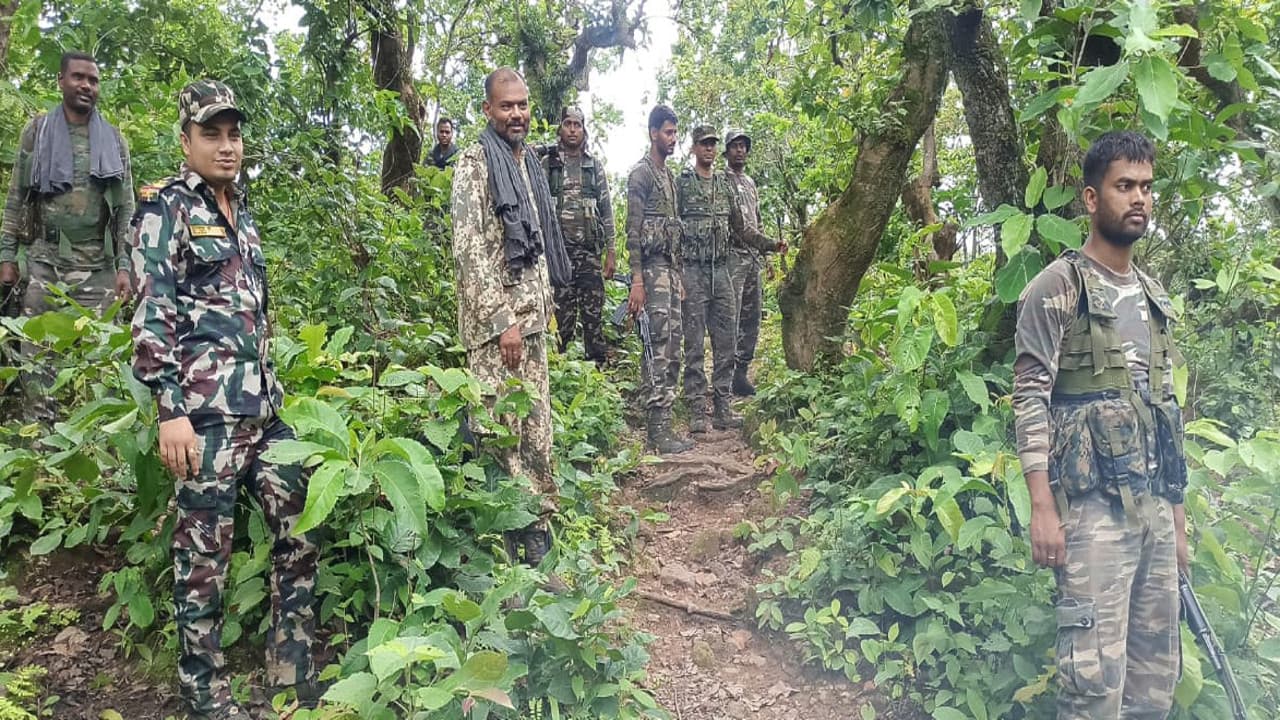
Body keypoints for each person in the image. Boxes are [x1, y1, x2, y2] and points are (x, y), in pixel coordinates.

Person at [130, 80, 321, 719]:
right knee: (204, 560)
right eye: (211, 133)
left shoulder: (241, 210)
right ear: (185, 139)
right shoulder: (164, 208)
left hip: (262, 410)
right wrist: (169, 409)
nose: (227, 145)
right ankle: (204, 697)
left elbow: (251, 313)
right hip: (202, 417)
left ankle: (291, 671)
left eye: (233, 133)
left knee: (300, 525)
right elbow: (152, 308)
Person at [1012, 131, 1188, 719]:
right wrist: (1042, 505)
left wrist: (1178, 519)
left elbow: (1166, 414)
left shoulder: (1154, 295)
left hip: (1155, 512)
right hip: (1090, 513)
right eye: (1124, 187)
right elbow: (1030, 397)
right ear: (1092, 199)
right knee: (1092, 684)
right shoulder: (1057, 288)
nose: (1138, 198)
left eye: (1145, 187)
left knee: (1154, 682)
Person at [450, 68, 572, 573]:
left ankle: (538, 534)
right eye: (506, 106)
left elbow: (539, 246)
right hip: (497, 330)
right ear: (487, 111)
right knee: (501, 433)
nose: (517, 114)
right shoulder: (475, 163)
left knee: (537, 430)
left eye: (522, 105)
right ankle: (503, 550)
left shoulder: (530, 166)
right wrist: (503, 320)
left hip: (534, 323)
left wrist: (544, 312)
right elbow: (469, 248)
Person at [0, 51, 134, 418]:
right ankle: (41, 454)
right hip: (45, 262)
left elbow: (125, 211)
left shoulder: (114, 141)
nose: (86, 85)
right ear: (61, 81)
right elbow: (16, 196)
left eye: (93, 80)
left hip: (98, 267)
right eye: (78, 77)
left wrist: (125, 267)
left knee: (102, 363)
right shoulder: (37, 131)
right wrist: (7, 257)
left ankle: (99, 462)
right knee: (37, 359)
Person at [677, 126, 779, 433]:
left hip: (721, 270)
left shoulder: (725, 185)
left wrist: (769, 245)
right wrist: (675, 271)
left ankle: (723, 408)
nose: (708, 149)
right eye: (703, 144)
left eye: (712, 144)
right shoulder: (683, 184)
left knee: (726, 341)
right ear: (694, 148)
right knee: (694, 344)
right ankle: (696, 409)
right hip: (693, 272)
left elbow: (742, 228)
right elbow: (673, 226)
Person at [625, 106, 693, 454]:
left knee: (674, 346)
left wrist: (678, 275)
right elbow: (633, 233)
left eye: (675, 132)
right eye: (668, 132)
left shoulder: (668, 177)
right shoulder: (641, 175)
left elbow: (674, 231)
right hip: (650, 273)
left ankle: (665, 425)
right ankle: (656, 430)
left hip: (669, 271)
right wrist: (637, 281)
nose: (673, 138)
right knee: (657, 348)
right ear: (653, 133)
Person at [541, 107, 616, 363]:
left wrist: (612, 252)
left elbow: (606, 210)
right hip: (557, 256)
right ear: (560, 129)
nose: (572, 129)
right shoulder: (547, 164)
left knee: (593, 316)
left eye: (578, 125)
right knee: (561, 317)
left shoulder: (593, 166)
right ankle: (561, 370)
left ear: (584, 130)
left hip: (588, 254)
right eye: (568, 124)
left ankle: (596, 369)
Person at [723, 128, 773, 396]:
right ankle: (725, 372)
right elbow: (736, 224)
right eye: (735, 146)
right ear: (727, 151)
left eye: (743, 146)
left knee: (752, 315)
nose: (740, 150)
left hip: (753, 257)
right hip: (732, 255)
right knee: (731, 315)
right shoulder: (722, 180)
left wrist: (766, 257)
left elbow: (758, 218)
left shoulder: (751, 183)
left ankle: (741, 373)